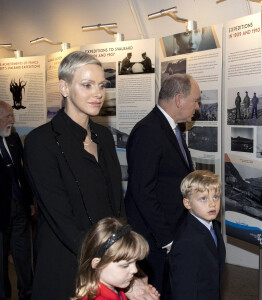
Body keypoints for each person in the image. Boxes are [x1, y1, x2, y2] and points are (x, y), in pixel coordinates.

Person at [24, 51, 158, 300]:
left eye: (101, 85)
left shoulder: (104, 137)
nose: (97, 93)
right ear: (64, 87)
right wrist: (115, 267)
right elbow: (61, 219)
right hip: (66, 265)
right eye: (87, 85)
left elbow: (117, 209)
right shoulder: (40, 142)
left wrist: (130, 270)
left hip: (109, 264)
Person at [125, 74, 200, 297]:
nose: (197, 106)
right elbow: (142, 192)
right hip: (154, 240)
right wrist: (167, 240)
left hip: (171, 233)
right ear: (178, 99)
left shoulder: (171, 129)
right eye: (195, 100)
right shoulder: (148, 131)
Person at [169, 170, 226, 300]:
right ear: (187, 203)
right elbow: (183, 290)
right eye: (203, 198)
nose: (212, 204)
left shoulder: (215, 226)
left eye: (215, 197)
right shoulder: (187, 242)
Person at [0, 100, 34, 300]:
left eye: (12, 116)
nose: (12, 120)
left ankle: (28, 295)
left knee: (23, 257)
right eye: (7, 116)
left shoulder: (13, 139)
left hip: (20, 207)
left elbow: (21, 172)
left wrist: (29, 201)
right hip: (1, 213)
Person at [71, 217, 149, 300]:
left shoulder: (116, 289)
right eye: (125, 265)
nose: (135, 270)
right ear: (97, 264)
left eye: (135, 262)